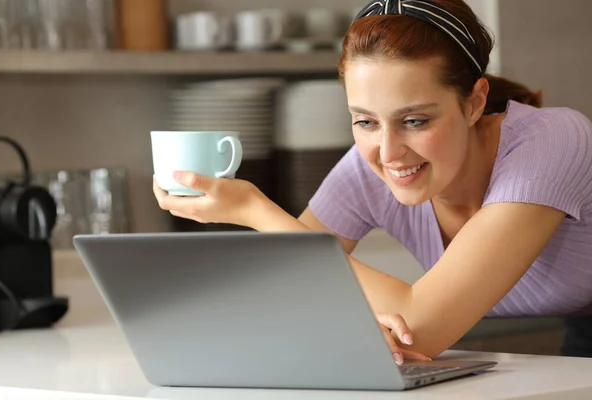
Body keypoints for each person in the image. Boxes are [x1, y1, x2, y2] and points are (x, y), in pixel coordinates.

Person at [153, 0, 592, 364]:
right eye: (364, 121)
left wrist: (255, 211)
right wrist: (351, 320)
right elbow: (276, 297)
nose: (388, 151)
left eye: (415, 120)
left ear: (475, 102)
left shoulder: (552, 141)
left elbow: (418, 330)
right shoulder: (371, 166)